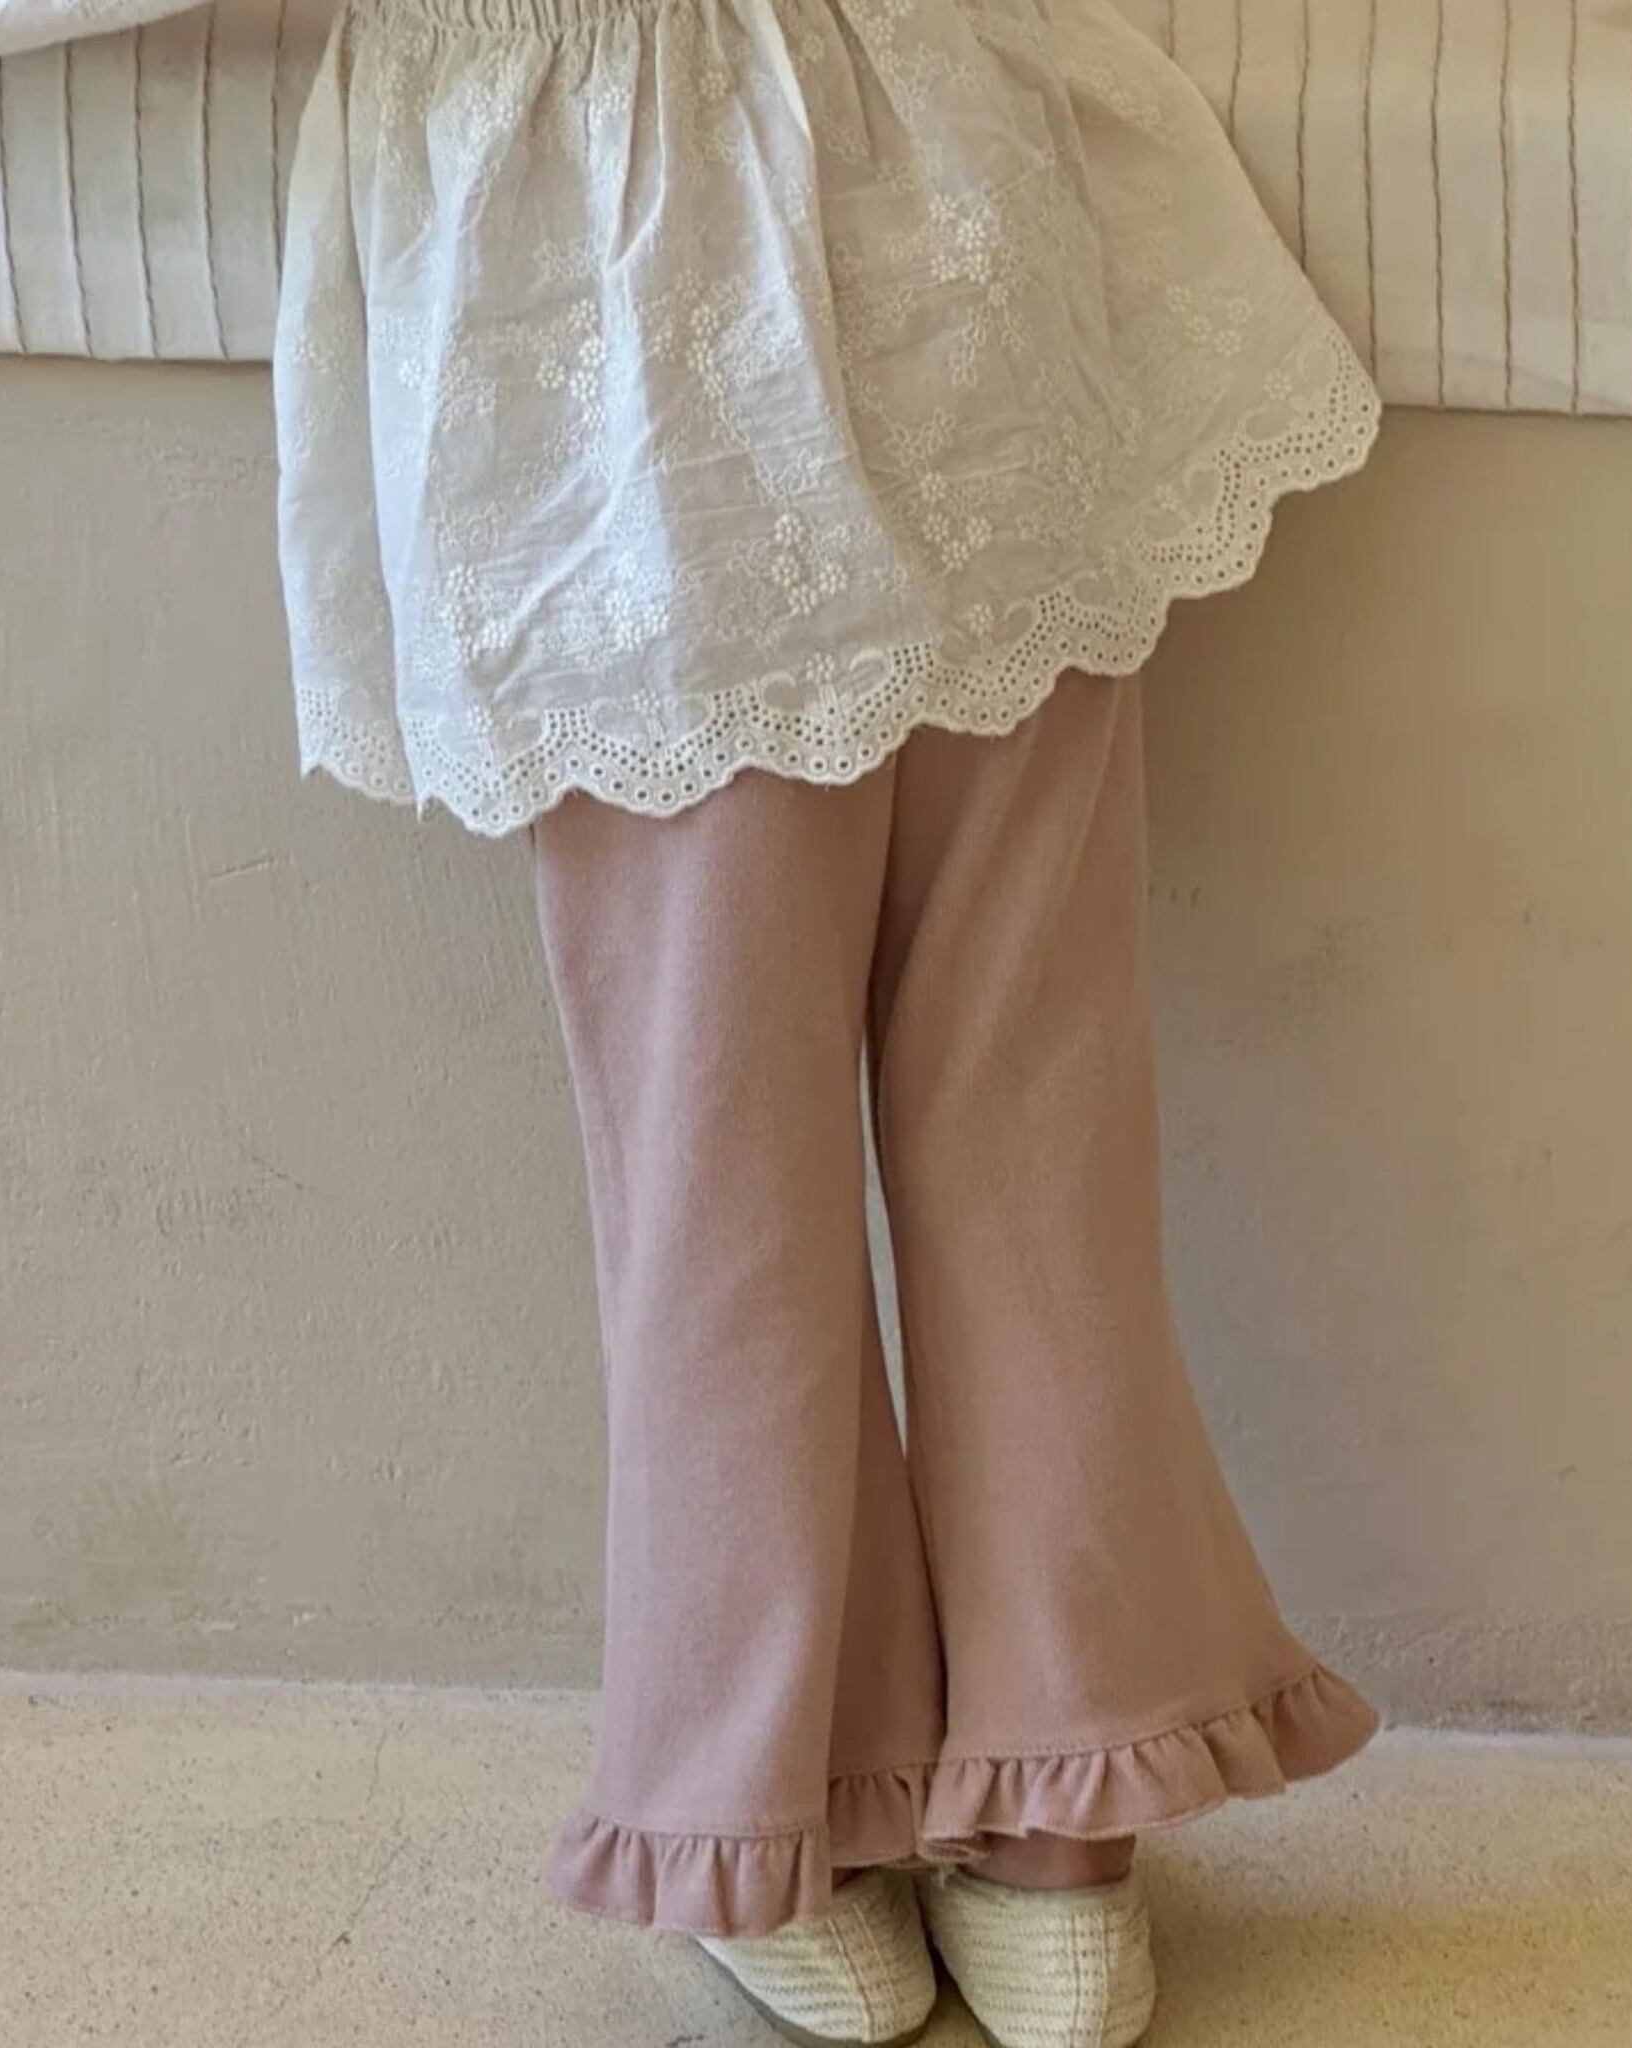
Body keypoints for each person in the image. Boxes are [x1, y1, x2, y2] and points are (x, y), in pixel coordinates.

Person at [271, 1, 1383, 2041]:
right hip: (734, 232)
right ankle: (923, 1796)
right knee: (879, 1122)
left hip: (783, 227)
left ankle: (919, 1791)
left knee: (880, 1127)